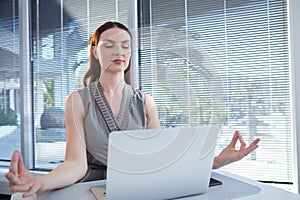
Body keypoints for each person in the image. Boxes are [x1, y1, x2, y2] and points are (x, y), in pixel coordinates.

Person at [5, 21, 260, 198]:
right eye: (110, 45)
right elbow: (75, 164)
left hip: (139, 188)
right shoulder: (77, 100)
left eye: (125, 45)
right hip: (93, 187)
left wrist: (216, 162)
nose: (120, 51)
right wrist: (40, 182)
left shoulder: (146, 102)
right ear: (94, 51)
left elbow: (161, 162)